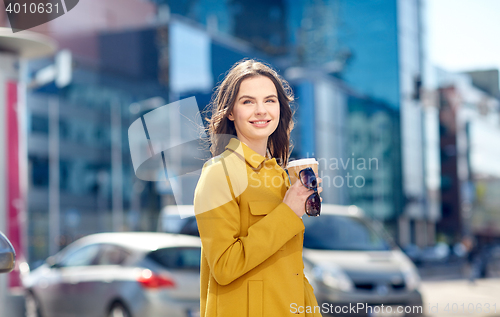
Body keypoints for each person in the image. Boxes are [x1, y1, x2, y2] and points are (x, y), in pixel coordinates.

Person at [193, 59, 323, 317]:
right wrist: (288, 211)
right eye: (248, 101)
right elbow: (224, 266)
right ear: (231, 112)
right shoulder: (219, 173)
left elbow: (292, 272)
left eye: (270, 100)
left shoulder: (280, 176)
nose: (261, 110)